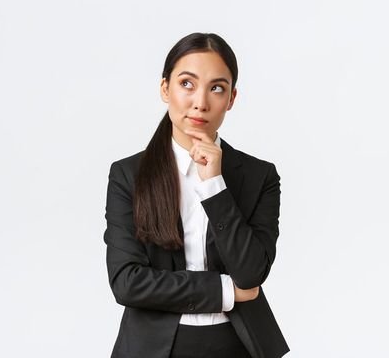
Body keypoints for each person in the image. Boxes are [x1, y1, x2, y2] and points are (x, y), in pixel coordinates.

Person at [104, 32, 289, 358]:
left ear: (231, 99)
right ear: (166, 88)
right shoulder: (128, 176)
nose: (200, 101)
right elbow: (127, 282)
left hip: (238, 345)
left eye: (217, 88)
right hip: (152, 347)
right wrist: (225, 291)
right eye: (187, 84)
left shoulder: (260, 177)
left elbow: (252, 274)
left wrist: (214, 185)